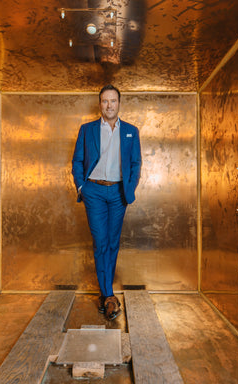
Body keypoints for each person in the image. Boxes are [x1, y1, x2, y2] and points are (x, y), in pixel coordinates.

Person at [72, 84, 142, 320]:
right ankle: (109, 295)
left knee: (113, 244)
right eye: (105, 101)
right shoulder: (87, 129)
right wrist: (83, 187)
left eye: (113, 101)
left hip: (118, 193)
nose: (109, 105)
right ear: (99, 104)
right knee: (101, 242)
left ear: (119, 104)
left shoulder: (131, 131)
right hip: (95, 191)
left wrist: (129, 189)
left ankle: (106, 295)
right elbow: (77, 161)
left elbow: (135, 164)